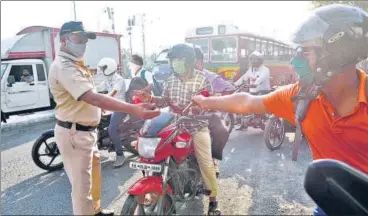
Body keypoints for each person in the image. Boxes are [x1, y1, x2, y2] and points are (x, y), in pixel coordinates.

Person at [192, 4, 368, 216]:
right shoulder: (299, 95)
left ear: (336, 54)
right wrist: (205, 102)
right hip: (331, 204)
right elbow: (247, 102)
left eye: (305, 52)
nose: (295, 61)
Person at [48, 21, 160, 216]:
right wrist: (133, 108)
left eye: (85, 39)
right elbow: (90, 97)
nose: (84, 42)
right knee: (82, 189)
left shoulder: (76, 64)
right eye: (79, 37)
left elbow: (94, 96)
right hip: (75, 133)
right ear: (64, 40)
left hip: (86, 132)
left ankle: (96, 210)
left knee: (93, 179)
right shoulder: (64, 66)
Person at [134, 43, 221, 215]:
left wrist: (200, 108)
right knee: (156, 154)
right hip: (175, 126)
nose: (174, 63)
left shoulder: (201, 79)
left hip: (196, 126)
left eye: (178, 60)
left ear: (188, 61)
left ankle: (213, 200)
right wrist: (150, 97)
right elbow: (164, 101)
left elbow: (210, 102)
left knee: (206, 163)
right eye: (173, 60)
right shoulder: (171, 80)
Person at [193, 46, 235, 178]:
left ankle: (213, 159)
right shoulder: (178, 77)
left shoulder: (211, 77)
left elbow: (229, 89)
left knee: (222, 132)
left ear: (199, 61)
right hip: (183, 115)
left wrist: (215, 99)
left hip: (206, 115)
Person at [97, 57, 128, 167]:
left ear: (109, 68)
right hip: (112, 106)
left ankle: (120, 154)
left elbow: (113, 93)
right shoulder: (107, 79)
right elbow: (97, 89)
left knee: (112, 128)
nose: (101, 70)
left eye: (103, 68)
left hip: (121, 107)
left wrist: (101, 100)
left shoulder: (118, 79)